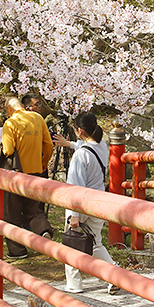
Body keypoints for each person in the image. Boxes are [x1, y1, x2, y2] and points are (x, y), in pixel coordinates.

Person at [52, 112, 119, 295]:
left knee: (72, 243)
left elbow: (75, 187)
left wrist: (74, 215)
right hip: (99, 202)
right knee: (96, 243)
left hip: (80, 204)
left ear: (79, 131)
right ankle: (115, 274)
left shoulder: (80, 157)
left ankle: (74, 284)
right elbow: (85, 146)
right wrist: (70, 144)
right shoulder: (102, 145)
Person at [1, 97, 54, 259]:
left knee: (12, 213)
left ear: (9, 110)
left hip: (16, 175)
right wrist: (43, 162)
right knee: (34, 209)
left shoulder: (10, 123)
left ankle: (18, 251)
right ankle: (44, 231)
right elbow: (49, 145)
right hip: (36, 172)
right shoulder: (38, 118)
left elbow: (8, 150)